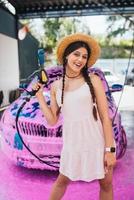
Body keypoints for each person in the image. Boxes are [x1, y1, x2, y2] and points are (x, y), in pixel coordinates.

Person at [32, 33, 116, 200]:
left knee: (106, 184)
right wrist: (40, 96)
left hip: (98, 143)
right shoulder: (56, 86)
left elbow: (105, 118)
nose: (80, 59)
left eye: (84, 56)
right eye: (76, 54)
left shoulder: (93, 80)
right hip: (73, 145)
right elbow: (52, 121)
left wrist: (110, 150)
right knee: (61, 182)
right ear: (66, 56)